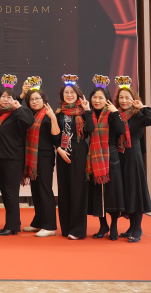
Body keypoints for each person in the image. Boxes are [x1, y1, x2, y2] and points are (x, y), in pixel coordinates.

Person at [0, 75, 34, 236]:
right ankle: (14, 224)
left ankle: (11, 225)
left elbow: (28, 122)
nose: (6, 99)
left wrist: (18, 108)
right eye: (3, 96)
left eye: (9, 97)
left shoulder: (17, 113)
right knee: (5, 193)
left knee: (11, 194)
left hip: (13, 160)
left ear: (14, 99)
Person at [114, 76, 151, 243]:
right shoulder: (115, 114)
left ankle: (137, 228)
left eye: (127, 97)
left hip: (133, 157)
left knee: (135, 192)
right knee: (126, 192)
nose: (124, 100)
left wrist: (143, 107)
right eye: (121, 97)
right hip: (119, 157)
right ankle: (131, 227)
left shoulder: (138, 115)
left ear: (133, 99)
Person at [87, 77, 126, 241]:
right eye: (94, 97)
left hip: (111, 155)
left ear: (107, 100)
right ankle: (103, 225)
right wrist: (87, 112)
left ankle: (114, 225)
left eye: (100, 98)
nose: (97, 100)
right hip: (94, 156)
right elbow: (88, 131)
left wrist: (116, 112)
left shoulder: (112, 114)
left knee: (112, 192)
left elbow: (121, 130)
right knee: (98, 193)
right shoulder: (88, 113)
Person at [55, 75, 94, 240]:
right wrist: (58, 149)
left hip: (79, 151)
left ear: (77, 94)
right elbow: (54, 135)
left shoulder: (83, 112)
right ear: (62, 95)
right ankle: (66, 228)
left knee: (78, 191)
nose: (69, 95)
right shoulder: (59, 114)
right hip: (62, 152)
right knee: (64, 191)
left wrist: (88, 110)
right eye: (66, 92)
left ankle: (77, 230)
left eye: (72, 92)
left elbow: (90, 130)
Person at [20, 77, 60, 237]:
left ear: (44, 100)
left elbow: (56, 137)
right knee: (35, 191)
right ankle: (38, 222)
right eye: (31, 99)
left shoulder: (47, 115)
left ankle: (49, 226)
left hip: (44, 157)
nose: (35, 101)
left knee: (45, 190)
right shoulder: (30, 115)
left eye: (37, 98)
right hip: (32, 158)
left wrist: (54, 118)